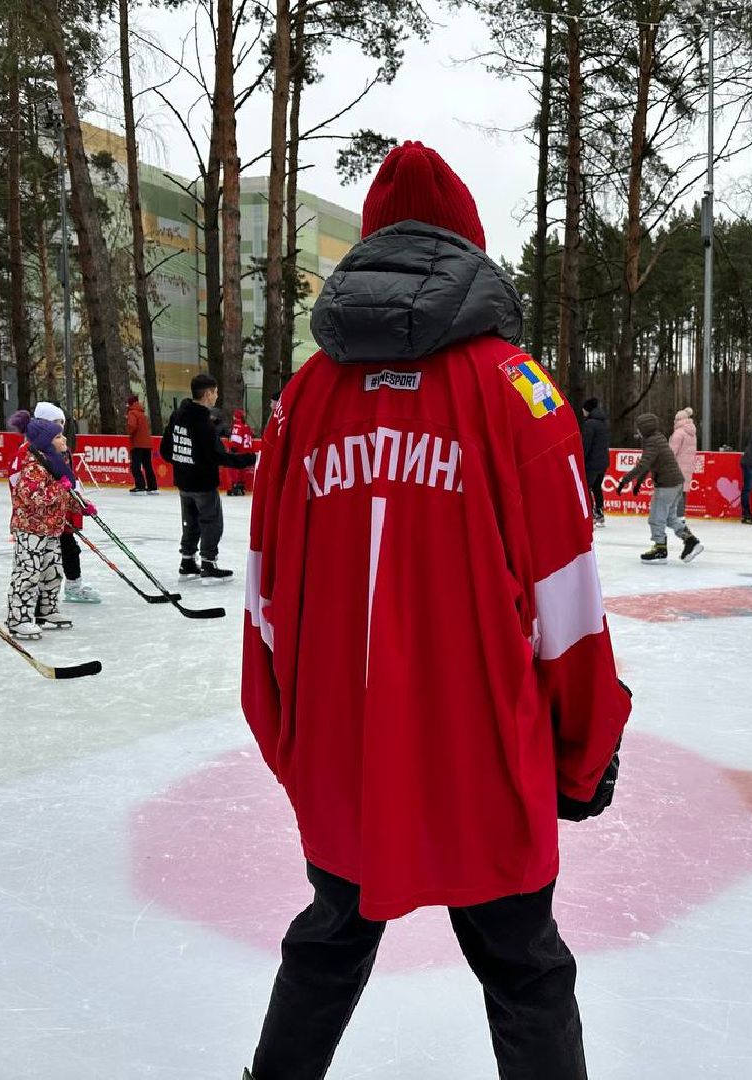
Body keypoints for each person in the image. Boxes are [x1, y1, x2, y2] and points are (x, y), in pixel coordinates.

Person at [241, 140, 630, 1080]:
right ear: (466, 245)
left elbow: (264, 604)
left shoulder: (303, 398)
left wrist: (295, 743)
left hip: (342, 750)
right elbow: (569, 606)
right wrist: (585, 754)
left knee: (330, 941)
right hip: (481, 755)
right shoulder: (517, 389)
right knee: (526, 970)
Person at [160, 373, 255, 581]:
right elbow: (216, 456)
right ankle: (208, 563)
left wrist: (183, 463)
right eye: (215, 392)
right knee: (211, 522)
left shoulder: (177, 415)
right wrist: (250, 459)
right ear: (207, 393)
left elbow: (166, 451)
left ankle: (187, 560)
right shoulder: (203, 422)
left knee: (190, 522)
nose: (217, 396)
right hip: (202, 483)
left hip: (184, 482)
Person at [6, 417, 76, 639]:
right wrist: (60, 488)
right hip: (31, 529)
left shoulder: (55, 461)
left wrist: (80, 505)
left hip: (52, 528)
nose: (64, 439)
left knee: (53, 571)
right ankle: (18, 618)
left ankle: (47, 609)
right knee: (28, 573)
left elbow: (64, 493)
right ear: (46, 441)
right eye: (58, 436)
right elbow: (33, 497)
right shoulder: (34, 465)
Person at [615, 412, 703, 563]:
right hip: (676, 483)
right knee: (670, 518)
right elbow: (649, 464)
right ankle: (691, 541)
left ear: (645, 428)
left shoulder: (652, 442)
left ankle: (660, 549)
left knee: (656, 518)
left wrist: (624, 481)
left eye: (639, 428)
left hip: (667, 485)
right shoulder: (658, 438)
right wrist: (639, 483)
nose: (637, 431)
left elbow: (643, 465)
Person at [580, 397, 610, 527]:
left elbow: (585, 444)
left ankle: (590, 515)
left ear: (588, 410)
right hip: (602, 462)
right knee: (597, 487)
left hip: (591, 463)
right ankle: (599, 513)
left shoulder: (590, 424)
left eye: (583, 410)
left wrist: (581, 458)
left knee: (586, 488)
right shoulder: (604, 423)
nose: (582, 412)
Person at [669, 406, 698, 517]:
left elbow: (672, 452)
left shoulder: (679, 433)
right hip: (688, 466)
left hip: (677, 466)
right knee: (682, 492)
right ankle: (681, 516)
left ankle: (675, 517)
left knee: (674, 492)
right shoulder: (692, 433)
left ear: (678, 420)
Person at [126, 395, 158, 494]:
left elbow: (132, 426)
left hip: (137, 444)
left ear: (130, 404)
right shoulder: (142, 413)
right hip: (147, 444)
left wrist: (129, 431)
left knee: (135, 466)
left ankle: (140, 486)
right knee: (148, 466)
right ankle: (152, 486)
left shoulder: (132, 413)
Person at [226, 408, 255, 496]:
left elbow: (236, 440)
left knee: (234, 468)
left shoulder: (237, 426)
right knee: (242, 470)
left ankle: (236, 486)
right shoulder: (246, 426)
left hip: (240, 452)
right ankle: (241, 486)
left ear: (235, 417)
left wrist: (232, 448)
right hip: (247, 452)